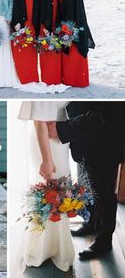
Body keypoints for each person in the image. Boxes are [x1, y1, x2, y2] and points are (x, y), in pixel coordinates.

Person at [47, 101, 125, 259]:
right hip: (83, 140)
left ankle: (104, 240)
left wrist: (65, 129)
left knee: (103, 192)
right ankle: (91, 222)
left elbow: (108, 112)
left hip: (104, 141)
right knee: (87, 185)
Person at [9, 101, 75, 277]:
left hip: (58, 139)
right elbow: (39, 121)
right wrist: (47, 160)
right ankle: (42, 247)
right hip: (46, 142)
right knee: (51, 194)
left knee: (61, 195)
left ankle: (56, 245)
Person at [57, 0, 95, 87]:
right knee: (67, 54)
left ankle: (77, 80)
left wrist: (70, 28)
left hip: (73, 24)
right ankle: (68, 79)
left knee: (74, 52)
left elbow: (77, 9)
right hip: (64, 24)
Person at [11, 0, 42, 84]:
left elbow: (41, 4)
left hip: (34, 22)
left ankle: (33, 78)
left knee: (32, 51)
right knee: (21, 50)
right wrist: (17, 21)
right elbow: (16, 4)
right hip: (22, 22)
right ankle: (22, 78)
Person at [40, 0, 61, 85]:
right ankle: (48, 78)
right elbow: (42, 7)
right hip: (46, 22)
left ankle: (56, 77)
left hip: (56, 21)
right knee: (47, 49)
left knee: (56, 49)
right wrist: (45, 25)